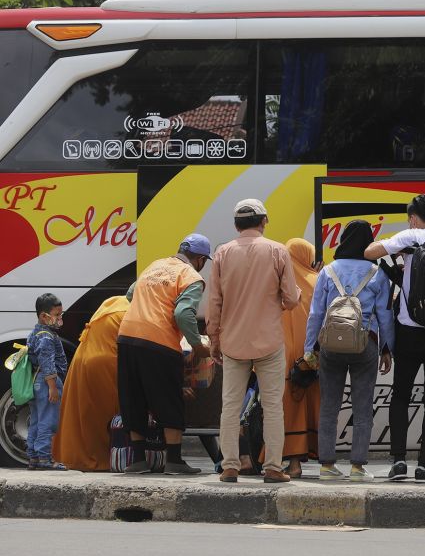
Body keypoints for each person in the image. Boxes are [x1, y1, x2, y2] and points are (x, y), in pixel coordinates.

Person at [364, 194, 425, 483]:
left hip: (410, 331)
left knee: (401, 395)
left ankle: (398, 461)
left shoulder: (409, 236)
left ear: (413, 217)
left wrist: (403, 250)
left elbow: (370, 252)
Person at [209, 199, 301, 484]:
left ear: (237, 225)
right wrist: (293, 294)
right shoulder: (277, 251)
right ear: (263, 221)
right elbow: (290, 299)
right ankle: (273, 467)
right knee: (273, 405)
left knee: (230, 406)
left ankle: (230, 466)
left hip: (233, 342)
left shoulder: (222, 253)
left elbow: (214, 302)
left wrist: (214, 338)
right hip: (269, 342)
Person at [307, 220, 394, 482]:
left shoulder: (328, 271)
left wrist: (309, 347)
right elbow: (385, 316)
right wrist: (387, 349)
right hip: (364, 344)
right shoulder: (377, 272)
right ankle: (357, 467)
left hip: (330, 345)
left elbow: (316, 313)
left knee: (329, 406)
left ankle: (326, 466)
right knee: (363, 405)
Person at [117, 234, 211, 475]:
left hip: (127, 336)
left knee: (133, 397)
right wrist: (196, 343)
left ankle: (137, 460)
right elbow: (183, 313)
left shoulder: (154, 265)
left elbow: (130, 295)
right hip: (159, 341)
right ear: (200, 259)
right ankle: (174, 461)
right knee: (169, 398)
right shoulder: (191, 276)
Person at [53, 293, 130, 471]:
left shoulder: (112, 303)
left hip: (83, 358)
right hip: (106, 362)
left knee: (82, 412)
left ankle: (75, 456)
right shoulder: (132, 312)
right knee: (105, 415)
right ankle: (103, 459)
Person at [278, 238, 322, 478]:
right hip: (312, 356)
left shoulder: (280, 281)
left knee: (288, 407)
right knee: (312, 404)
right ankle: (323, 459)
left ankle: (290, 463)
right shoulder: (318, 280)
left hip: (282, 355)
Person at [26, 293, 68, 470]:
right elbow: (47, 362)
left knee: (36, 420)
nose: (60, 319)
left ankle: (33, 458)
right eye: (57, 315)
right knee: (47, 421)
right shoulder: (46, 337)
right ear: (44, 316)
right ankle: (45, 459)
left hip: (36, 382)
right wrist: (53, 387)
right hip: (47, 382)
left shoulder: (35, 333)